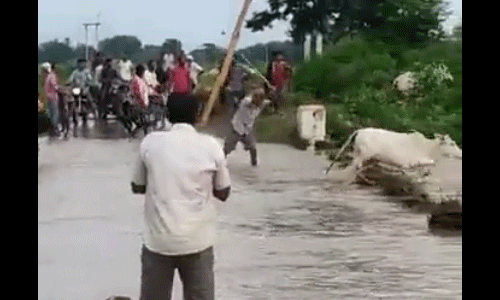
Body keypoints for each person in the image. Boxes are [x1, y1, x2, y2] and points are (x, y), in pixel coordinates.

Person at [131, 94, 231, 300]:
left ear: (167, 114)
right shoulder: (211, 145)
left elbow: (137, 186)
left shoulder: (150, 143)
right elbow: (223, 192)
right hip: (197, 241)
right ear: (197, 115)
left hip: (158, 242)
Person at [223, 87, 271, 166]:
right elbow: (248, 102)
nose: (257, 100)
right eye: (255, 97)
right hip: (236, 128)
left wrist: (274, 96)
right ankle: (218, 164)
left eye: (259, 99)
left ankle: (254, 165)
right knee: (227, 149)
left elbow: (269, 102)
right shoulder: (246, 101)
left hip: (247, 130)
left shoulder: (261, 104)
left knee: (253, 148)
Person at [41, 62, 61, 138]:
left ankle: (51, 128)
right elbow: (54, 86)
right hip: (53, 97)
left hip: (48, 97)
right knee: (55, 113)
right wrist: (60, 88)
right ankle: (54, 128)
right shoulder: (51, 76)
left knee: (50, 112)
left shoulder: (46, 77)